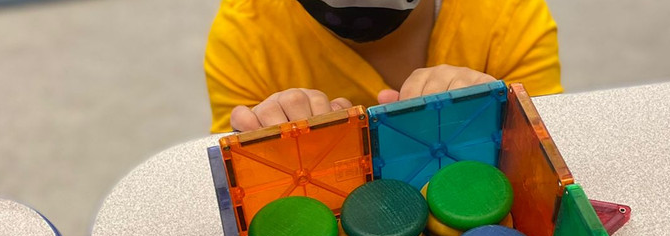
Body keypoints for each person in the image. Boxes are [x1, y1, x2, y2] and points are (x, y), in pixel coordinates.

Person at [205, 0, 562, 133]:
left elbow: (553, 154)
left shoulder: (509, 14)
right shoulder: (246, 36)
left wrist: (502, 114)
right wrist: (265, 142)